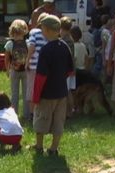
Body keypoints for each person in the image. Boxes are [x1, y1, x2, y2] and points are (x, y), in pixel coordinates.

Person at [32, 15, 74, 156]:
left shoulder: (45, 50)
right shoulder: (65, 47)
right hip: (61, 92)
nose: (41, 31)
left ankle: (39, 146)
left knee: (41, 119)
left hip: (46, 93)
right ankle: (53, 148)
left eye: (42, 28)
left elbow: (40, 76)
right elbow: (70, 70)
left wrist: (36, 96)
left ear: (48, 30)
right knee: (58, 121)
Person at [4, 19, 29, 121]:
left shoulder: (9, 44)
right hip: (26, 71)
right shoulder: (28, 43)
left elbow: (6, 58)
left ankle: (14, 115)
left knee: (14, 94)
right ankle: (27, 115)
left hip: (14, 71)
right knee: (26, 93)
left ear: (12, 31)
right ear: (24, 31)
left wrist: (7, 69)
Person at [26, 13, 48, 122]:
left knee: (32, 89)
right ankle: (42, 113)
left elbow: (31, 47)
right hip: (45, 67)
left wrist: (27, 61)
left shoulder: (34, 33)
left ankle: (31, 114)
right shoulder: (49, 35)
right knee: (43, 89)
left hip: (34, 65)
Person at [60, 16, 75, 118]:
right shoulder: (68, 38)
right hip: (69, 68)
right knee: (68, 91)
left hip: (67, 69)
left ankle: (69, 111)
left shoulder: (66, 40)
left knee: (66, 91)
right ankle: (69, 111)